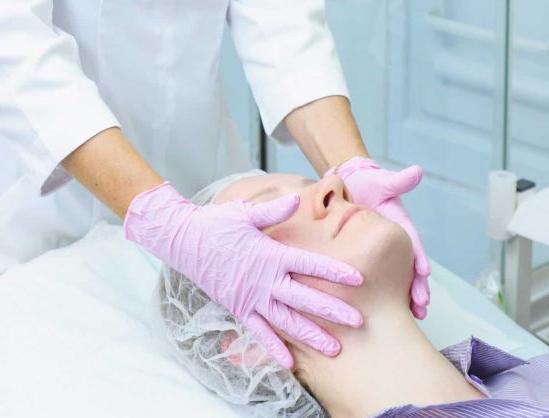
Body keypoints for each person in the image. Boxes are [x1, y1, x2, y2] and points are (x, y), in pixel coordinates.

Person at [0, 0, 431, 379]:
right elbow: (5, 38)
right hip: (14, 189)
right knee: (2, 377)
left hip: (193, 168)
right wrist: (164, 220)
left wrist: (350, 163)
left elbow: (280, 12)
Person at [157, 170, 549, 417]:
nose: (333, 184)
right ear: (248, 343)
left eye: (312, 182)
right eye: (272, 208)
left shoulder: (526, 374)